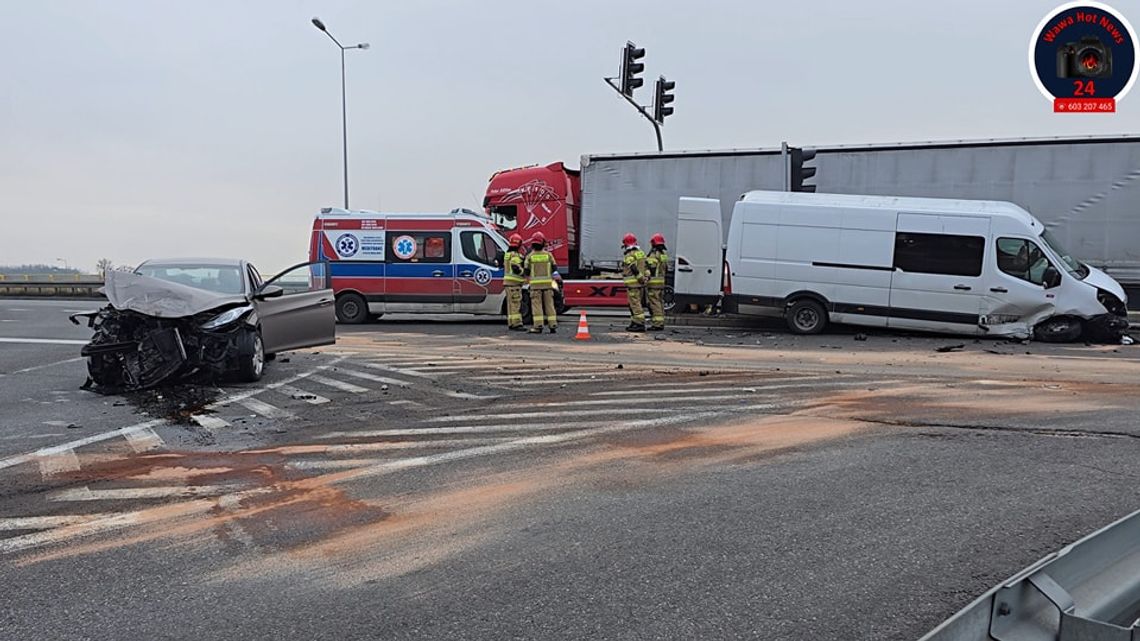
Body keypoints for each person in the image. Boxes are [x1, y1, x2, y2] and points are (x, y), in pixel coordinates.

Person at [523, 232, 557, 334]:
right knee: (550, 305)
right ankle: (553, 325)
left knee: (537, 306)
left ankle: (538, 326)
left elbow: (526, 271)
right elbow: (554, 268)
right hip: (547, 285)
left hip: (535, 286)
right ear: (543, 243)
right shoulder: (549, 255)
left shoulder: (530, 257)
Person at [620, 233, 649, 332]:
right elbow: (646, 267)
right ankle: (634, 322)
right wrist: (646, 278)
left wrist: (640, 278)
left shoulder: (629, 254)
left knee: (635, 304)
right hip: (640, 284)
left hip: (633, 283)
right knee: (636, 303)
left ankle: (639, 324)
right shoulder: (641, 253)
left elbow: (633, 267)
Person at [645, 233, 669, 331]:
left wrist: (646, 276)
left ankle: (657, 324)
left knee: (654, 303)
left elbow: (651, 268)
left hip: (654, 283)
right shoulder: (663, 254)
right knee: (659, 302)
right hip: (661, 282)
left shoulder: (654, 254)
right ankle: (660, 322)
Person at [503, 233, 526, 331]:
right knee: (516, 304)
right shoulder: (515, 255)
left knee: (510, 304)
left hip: (508, 283)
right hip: (515, 284)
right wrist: (523, 272)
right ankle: (517, 324)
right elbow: (516, 267)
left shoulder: (507, 254)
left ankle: (511, 322)